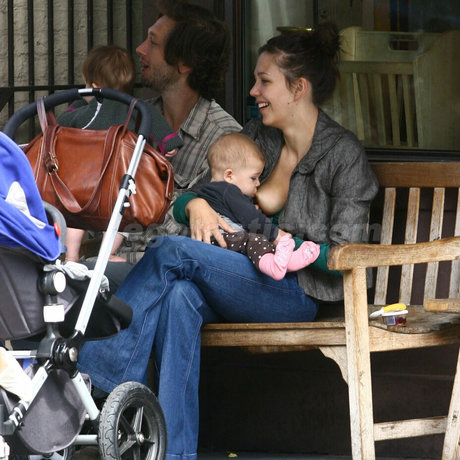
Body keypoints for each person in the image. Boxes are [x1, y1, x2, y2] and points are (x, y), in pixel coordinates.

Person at [77, 23, 379, 460]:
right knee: (179, 296)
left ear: (298, 88)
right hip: (239, 274)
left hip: (295, 290)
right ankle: (171, 452)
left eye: (264, 81)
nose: (253, 91)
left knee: (171, 252)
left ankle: (95, 382)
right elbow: (186, 200)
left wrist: (292, 247)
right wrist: (195, 203)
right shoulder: (258, 138)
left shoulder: (343, 155)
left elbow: (346, 256)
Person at [116, 0, 242, 263]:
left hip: (165, 271)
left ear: (185, 63)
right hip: (107, 262)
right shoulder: (135, 119)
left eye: (153, 42)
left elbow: (197, 240)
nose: (140, 49)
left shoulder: (225, 139)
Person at [56, 45, 180, 263]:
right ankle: (108, 254)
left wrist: (78, 105)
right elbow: (162, 132)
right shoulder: (136, 107)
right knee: (120, 216)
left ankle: (72, 255)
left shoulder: (86, 110)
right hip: (122, 179)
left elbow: (60, 126)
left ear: (94, 86)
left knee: (75, 214)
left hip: (85, 180)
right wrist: (165, 147)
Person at [197, 132, 320, 280]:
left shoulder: (212, 192)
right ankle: (274, 267)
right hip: (220, 241)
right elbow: (250, 217)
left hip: (218, 244)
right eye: (253, 178)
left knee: (256, 240)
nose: (258, 183)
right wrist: (275, 234)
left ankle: (287, 261)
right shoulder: (227, 190)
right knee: (253, 240)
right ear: (229, 176)